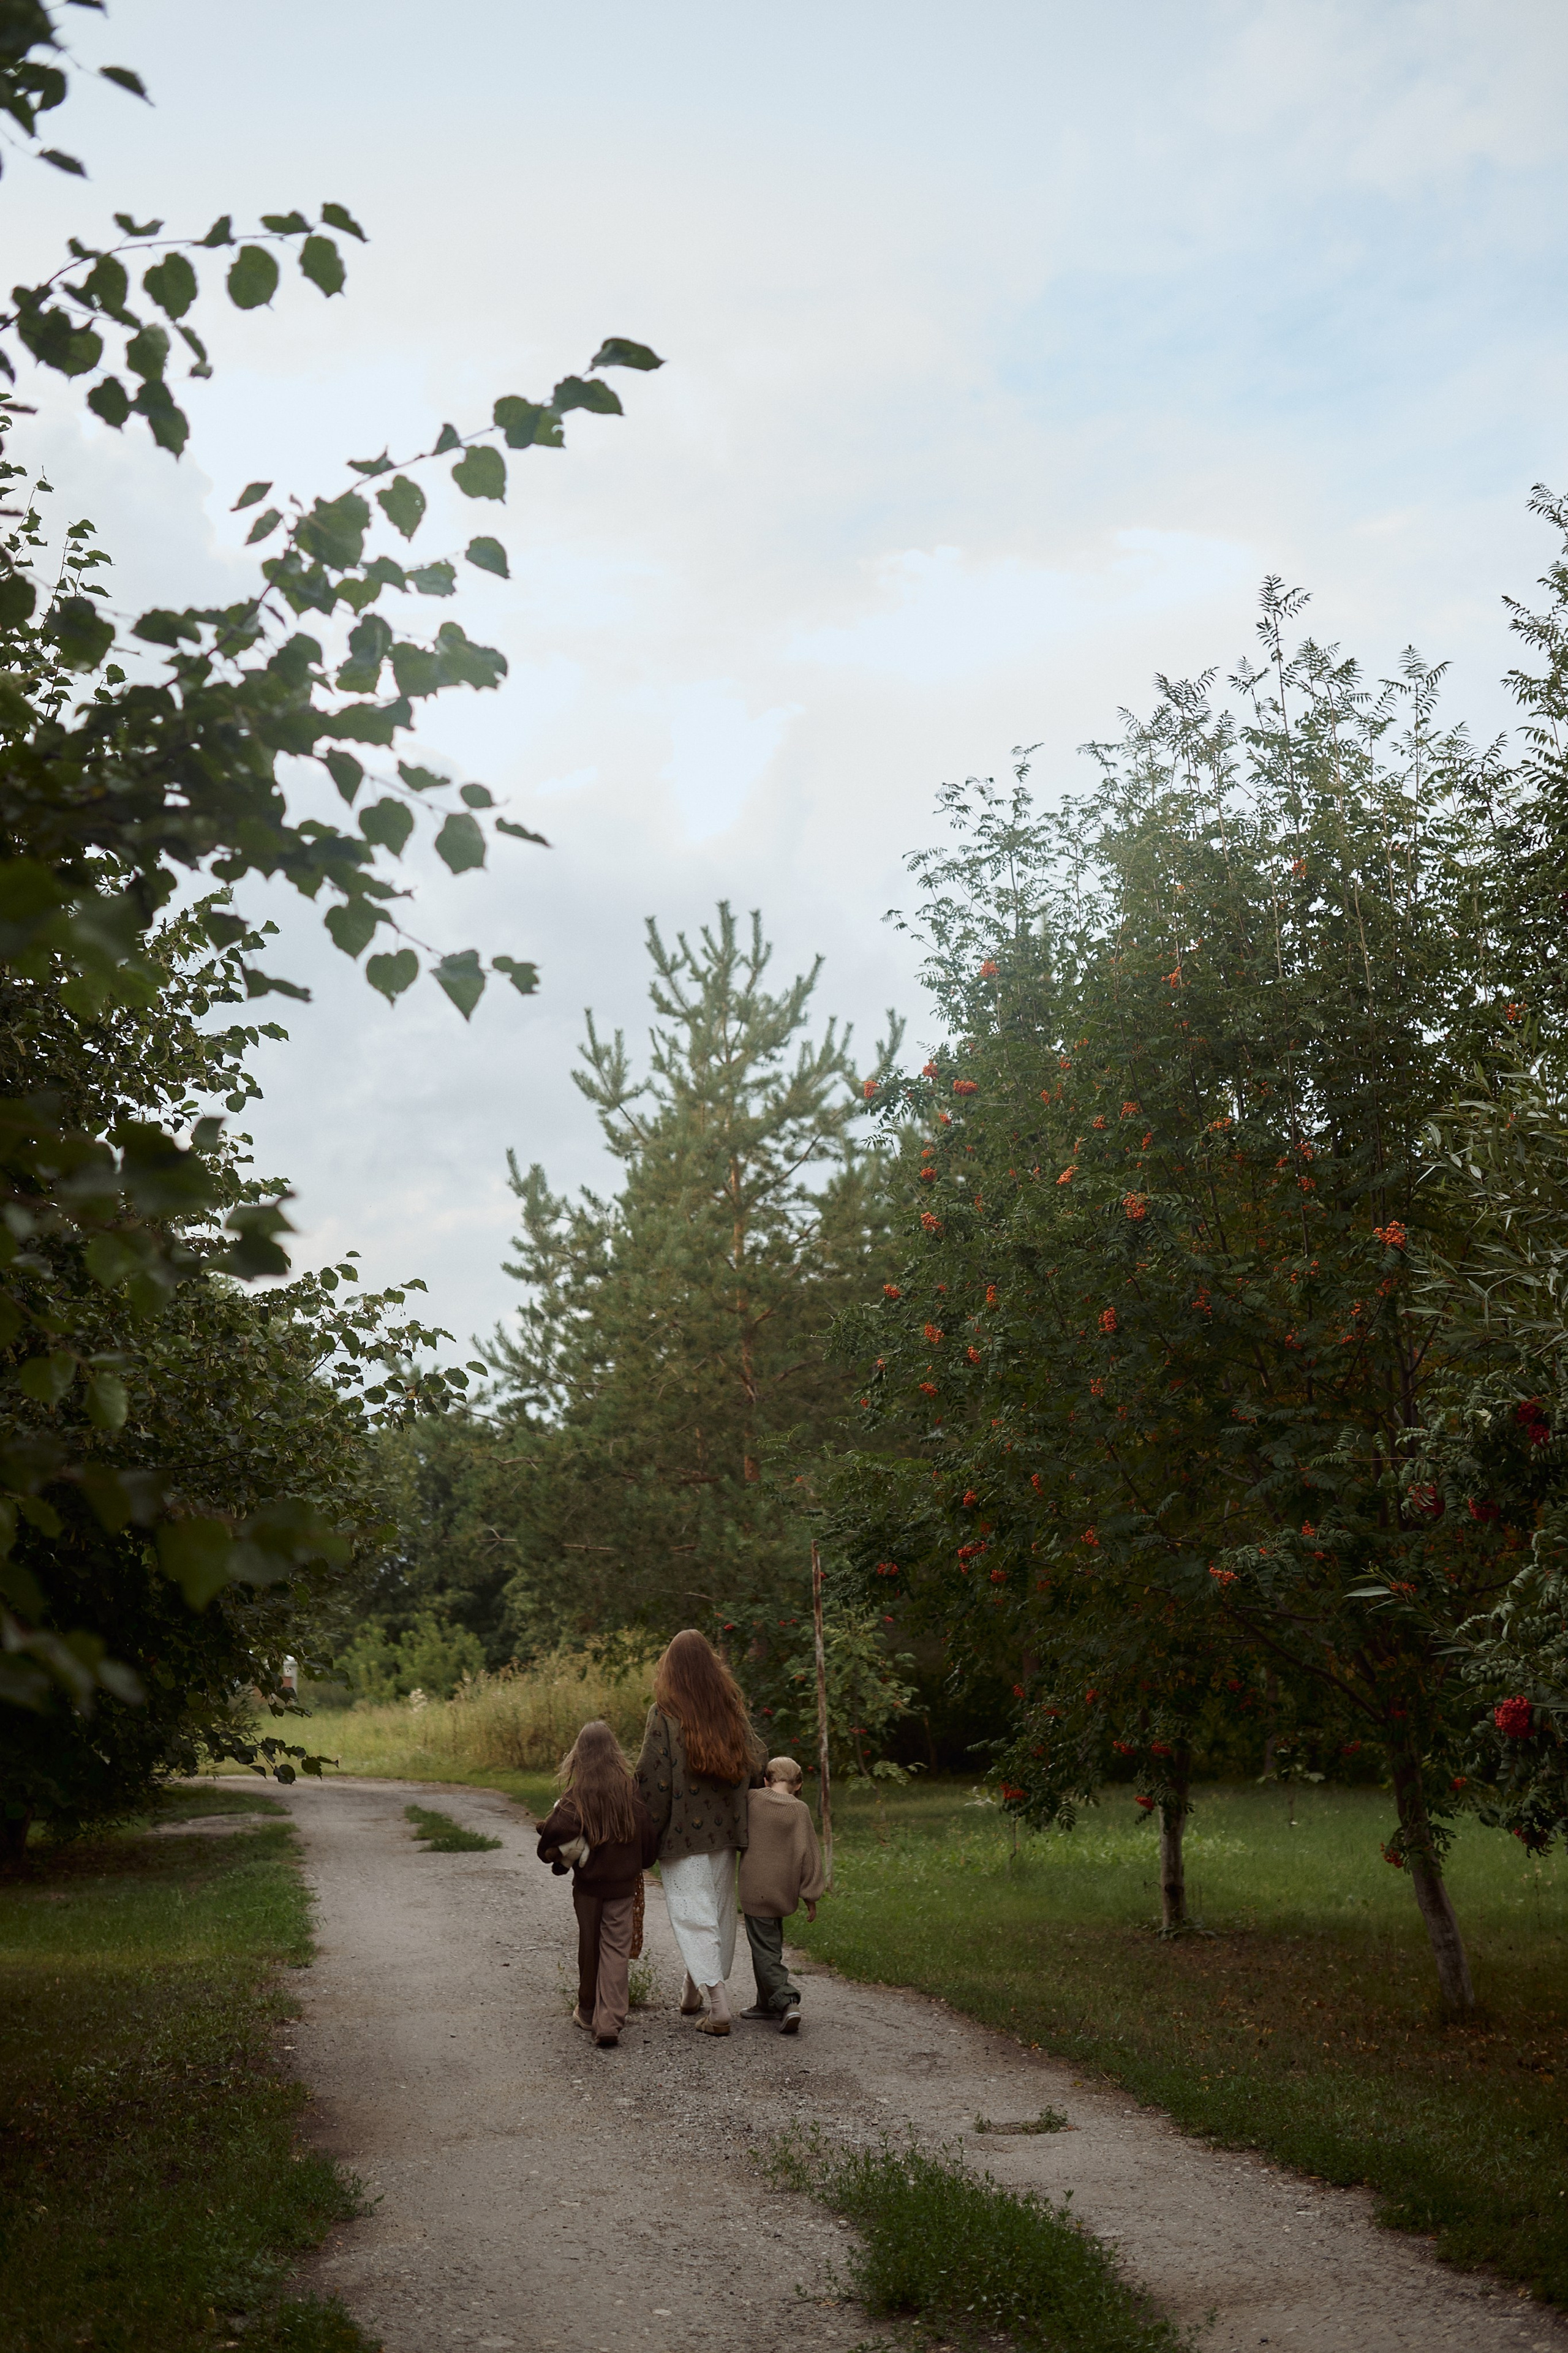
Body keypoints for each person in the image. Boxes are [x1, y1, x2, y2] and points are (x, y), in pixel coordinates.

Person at [635, 1628, 764, 2036]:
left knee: (694, 1916)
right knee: (718, 1912)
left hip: (682, 1836)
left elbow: (653, 1779)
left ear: (670, 1669)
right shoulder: (729, 1710)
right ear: (712, 1667)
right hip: (725, 1833)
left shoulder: (664, 1713)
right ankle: (693, 1991)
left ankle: (719, 2007)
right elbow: (754, 1765)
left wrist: (646, 1835)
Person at [535, 1719, 658, 2049]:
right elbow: (648, 1843)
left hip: (588, 1889)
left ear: (580, 1754)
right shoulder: (631, 1791)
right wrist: (641, 1861)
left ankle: (588, 2010)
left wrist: (549, 1849)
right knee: (616, 1949)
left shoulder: (576, 1795)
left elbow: (551, 1838)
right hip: (622, 1887)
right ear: (615, 1752)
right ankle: (610, 2022)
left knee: (589, 1946)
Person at [737, 1754, 826, 2033]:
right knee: (770, 1947)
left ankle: (787, 2001)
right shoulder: (800, 1810)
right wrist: (810, 1895)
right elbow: (810, 1854)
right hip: (784, 1889)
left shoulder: (752, 1799)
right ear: (798, 1784)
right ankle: (765, 2005)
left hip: (755, 1888)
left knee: (764, 1949)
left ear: (766, 1780)